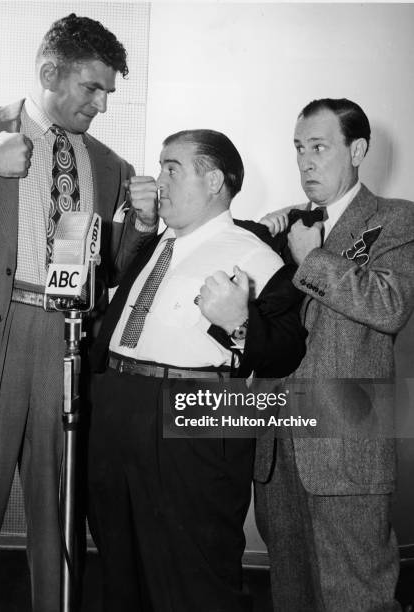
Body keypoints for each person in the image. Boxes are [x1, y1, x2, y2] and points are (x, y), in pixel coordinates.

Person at [0, 13, 157, 611]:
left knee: (58, 510)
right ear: (50, 71)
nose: (102, 104)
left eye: (109, 91)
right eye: (93, 88)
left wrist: (141, 227)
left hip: (65, 344)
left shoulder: (108, 165)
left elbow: (109, 269)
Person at [87, 128, 306, 612]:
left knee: (195, 578)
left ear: (213, 181)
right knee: (119, 566)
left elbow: (289, 347)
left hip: (196, 411)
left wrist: (240, 323)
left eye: (172, 167)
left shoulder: (254, 254)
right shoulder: (154, 244)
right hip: (117, 405)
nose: (158, 179)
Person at [209, 98, 414, 611]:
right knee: (291, 592)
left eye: (320, 147)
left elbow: (389, 306)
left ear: (358, 149)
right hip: (277, 443)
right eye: (299, 148)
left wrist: (311, 257)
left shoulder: (396, 220)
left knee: (357, 594)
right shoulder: (285, 227)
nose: (305, 161)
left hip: (347, 443)